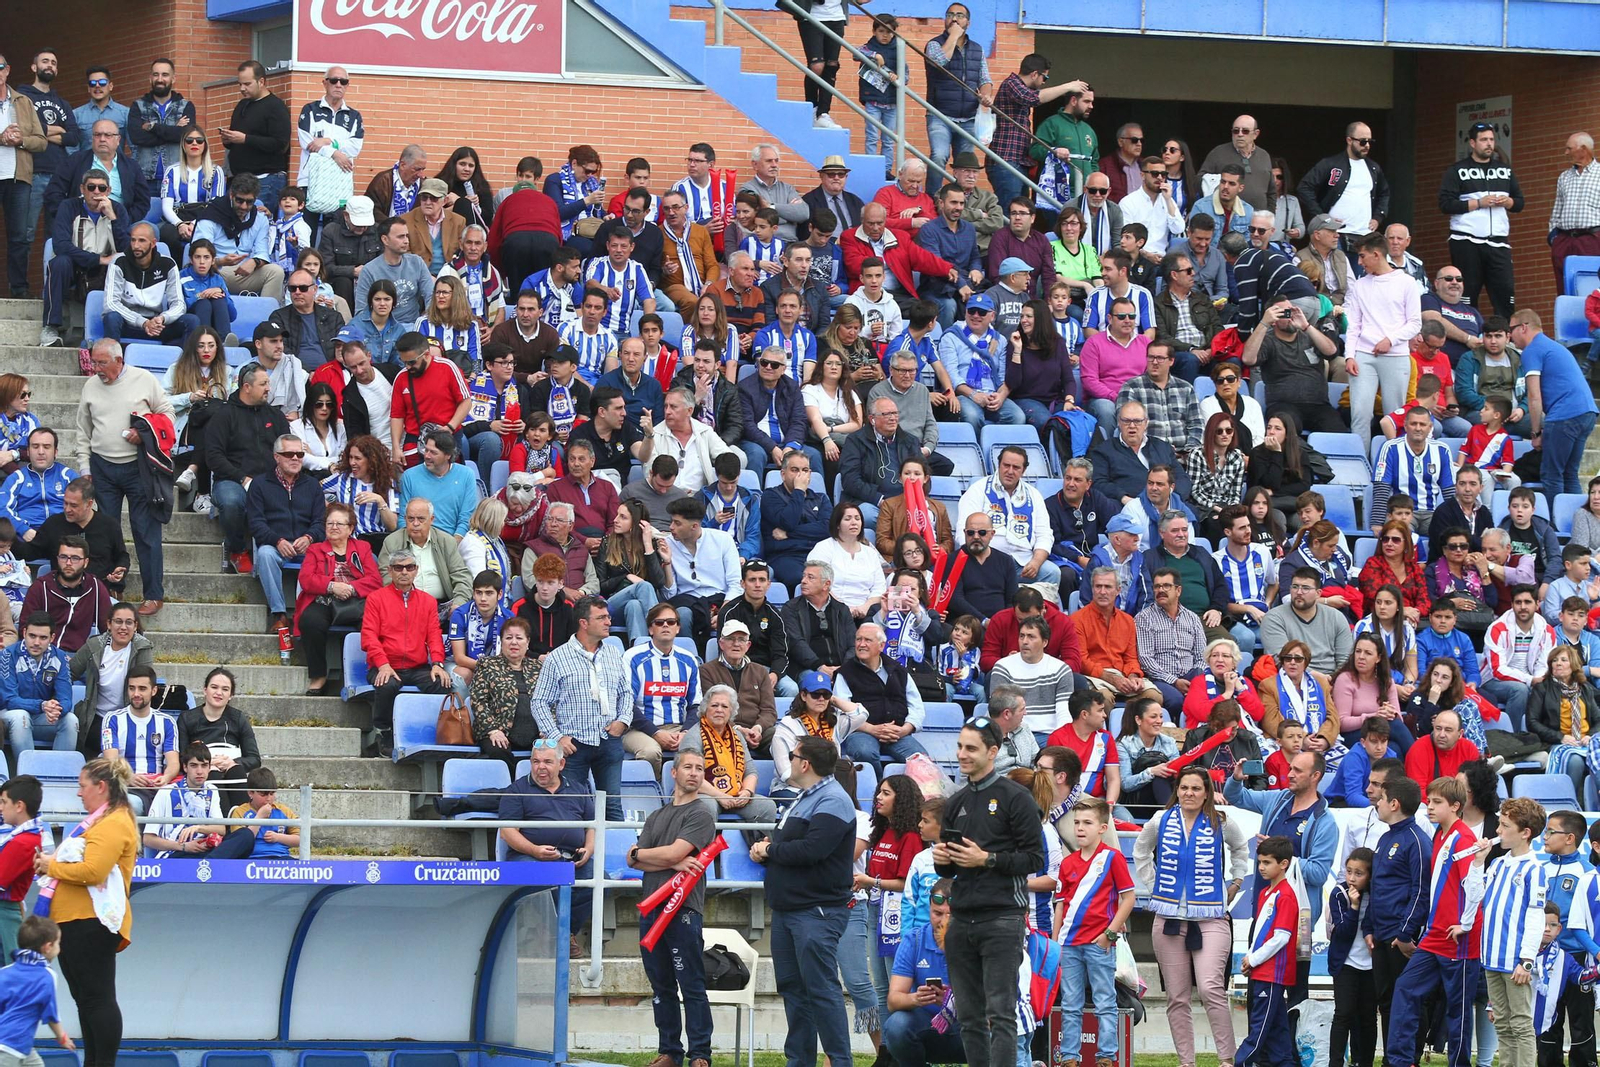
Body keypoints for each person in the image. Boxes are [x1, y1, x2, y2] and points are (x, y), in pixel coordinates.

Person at [931, 718, 1043, 1067]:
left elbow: (1035, 858)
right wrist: (942, 860)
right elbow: (951, 869)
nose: (962, 754)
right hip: (962, 917)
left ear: (993, 752)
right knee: (969, 1016)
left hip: (1002, 917)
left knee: (1001, 1012)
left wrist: (987, 859)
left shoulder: (1016, 797)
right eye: (960, 746)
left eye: (971, 748)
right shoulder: (957, 800)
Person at [1134, 763, 1250, 1067]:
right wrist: (1152, 882)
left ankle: (1227, 1059)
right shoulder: (1161, 820)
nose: (1189, 793)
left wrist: (1236, 882)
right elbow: (1141, 851)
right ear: (1177, 790)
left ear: (1206, 792)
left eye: (1196, 788)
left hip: (1211, 915)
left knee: (1211, 987)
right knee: (1177, 996)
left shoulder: (1221, 821)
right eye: (1184, 787)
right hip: (1169, 916)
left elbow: (1240, 849)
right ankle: (1187, 1063)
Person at [31, 755, 136, 1067]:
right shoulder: (102, 821)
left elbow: (94, 871)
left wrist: (53, 865)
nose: (79, 793)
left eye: (82, 786)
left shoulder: (114, 822)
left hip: (91, 922)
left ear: (101, 787)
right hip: (75, 922)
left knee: (97, 998)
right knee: (86, 999)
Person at [621, 748, 718, 1067]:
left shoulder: (701, 813)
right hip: (651, 909)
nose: (694, 772)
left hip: (683, 910)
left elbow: (673, 851)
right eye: (687, 767)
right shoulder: (656, 816)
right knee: (660, 984)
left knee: (691, 983)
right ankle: (669, 1052)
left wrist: (645, 856)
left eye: (700, 769)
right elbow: (633, 858)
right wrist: (661, 860)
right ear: (673, 773)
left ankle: (700, 1053)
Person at [1383, 776, 1485, 1067]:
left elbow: (1474, 884)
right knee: (1405, 988)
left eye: (1436, 802)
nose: (1428, 806)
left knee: (1458, 1009)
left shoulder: (1464, 839)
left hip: (1458, 940)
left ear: (1455, 806)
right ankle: (1401, 1060)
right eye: (1428, 800)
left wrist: (1465, 924)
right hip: (1435, 936)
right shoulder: (1441, 834)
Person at [74, 340, 174, 615]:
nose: (96, 369)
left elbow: (168, 413)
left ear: (118, 361)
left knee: (146, 531)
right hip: (102, 468)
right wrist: (85, 469)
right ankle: (110, 589)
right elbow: (83, 431)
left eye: (102, 363)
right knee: (106, 533)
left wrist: (143, 434)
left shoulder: (143, 379)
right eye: (94, 362)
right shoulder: (90, 386)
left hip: (138, 467)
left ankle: (153, 594)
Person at [1476, 797, 1549, 1067]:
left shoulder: (1534, 869)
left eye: (1505, 826)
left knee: (1520, 1024)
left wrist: (1526, 960)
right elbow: (1476, 900)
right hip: (1491, 958)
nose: (1497, 831)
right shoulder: (1497, 865)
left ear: (1525, 833)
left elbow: (1535, 915)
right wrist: (1477, 863)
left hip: (1515, 962)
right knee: (1503, 1025)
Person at [359, 548, 452, 756]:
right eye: (398, 568)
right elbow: (369, 637)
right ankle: (383, 731)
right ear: (390, 571)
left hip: (417, 666)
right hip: (385, 664)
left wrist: (437, 663)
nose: (404, 572)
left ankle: (431, 731)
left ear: (416, 570)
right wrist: (383, 664)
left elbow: (434, 635)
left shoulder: (428, 601)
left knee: (442, 683)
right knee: (387, 683)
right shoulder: (376, 599)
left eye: (409, 567)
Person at [1508, 311, 1599, 499]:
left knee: (1551, 475)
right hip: (1587, 412)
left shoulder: (1532, 350)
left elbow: (1534, 396)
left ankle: (1554, 524)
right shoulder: (1553, 346)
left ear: (1523, 327)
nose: (1510, 335)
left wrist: (1536, 433)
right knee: (1569, 474)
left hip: (1565, 415)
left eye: (1511, 329)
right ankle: (1578, 521)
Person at [1440, 122, 1523, 318]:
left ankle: (1505, 340)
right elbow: (1445, 204)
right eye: (1484, 140)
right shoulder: (1456, 170)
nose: (1489, 144)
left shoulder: (1505, 170)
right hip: (1466, 240)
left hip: (1498, 241)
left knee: (1505, 292)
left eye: (1491, 139)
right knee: (1468, 294)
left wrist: (1508, 201)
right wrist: (1479, 203)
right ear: (1472, 143)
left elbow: (1520, 203)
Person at [1483, 585, 1556, 732]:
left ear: (1537, 604)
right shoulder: (1497, 628)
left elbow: (1545, 663)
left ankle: (1547, 736)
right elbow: (1498, 669)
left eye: (1527, 602)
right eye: (1518, 602)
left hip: (1531, 679)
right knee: (1520, 690)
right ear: (1512, 605)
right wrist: (1530, 680)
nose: (1522, 607)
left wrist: (1537, 679)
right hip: (1493, 681)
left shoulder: (1547, 630)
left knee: (1555, 687)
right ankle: (1514, 738)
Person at [0, 613, 75, 755]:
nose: (36, 642)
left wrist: (57, 709)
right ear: (24, 633)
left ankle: (59, 774)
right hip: (10, 715)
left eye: (43, 638)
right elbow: (9, 700)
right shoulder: (7, 655)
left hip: (42, 715)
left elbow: (65, 698)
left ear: (52, 638)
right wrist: (42, 705)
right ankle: (27, 774)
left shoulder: (59, 657)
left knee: (70, 720)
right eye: (32, 636)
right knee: (20, 716)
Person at [22, 539, 111, 655]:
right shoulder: (40, 587)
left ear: (86, 562)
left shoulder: (95, 587)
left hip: (79, 657)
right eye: (63, 557)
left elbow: (109, 627)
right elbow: (25, 627)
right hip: (43, 653)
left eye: (75, 558)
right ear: (57, 559)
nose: (68, 563)